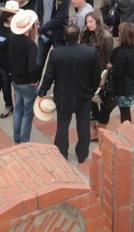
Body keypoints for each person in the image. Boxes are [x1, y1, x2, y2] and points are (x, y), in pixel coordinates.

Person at [38, 24, 100, 163]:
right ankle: (82, 154)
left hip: (63, 96)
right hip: (84, 96)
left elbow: (49, 76)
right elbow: (96, 76)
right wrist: (91, 90)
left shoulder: (56, 53)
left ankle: (62, 153)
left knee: (63, 125)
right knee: (83, 125)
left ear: (65, 38)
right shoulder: (90, 53)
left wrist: (43, 90)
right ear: (79, 37)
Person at [93, 22, 134, 138]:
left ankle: (97, 134)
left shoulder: (122, 53)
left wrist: (110, 67)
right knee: (125, 112)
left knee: (105, 110)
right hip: (131, 87)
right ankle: (127, 135)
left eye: (119, 32)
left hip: (118, 89)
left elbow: (116, 73)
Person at [8, 9, 39, 143]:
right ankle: (24, 141)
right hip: (27, 83)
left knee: (18, 110)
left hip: (16, 80)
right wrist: (35, 79)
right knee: (27, 113)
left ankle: (16, 138)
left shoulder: (12, 38)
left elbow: (0, 52)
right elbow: (32, 66)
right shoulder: (30, 45)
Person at [35, 0, 71, 73]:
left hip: (58, 35)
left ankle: (59, 87)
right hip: (44, 34)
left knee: (59, 65)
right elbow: (38, 4)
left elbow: (59, 19)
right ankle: (35, 85)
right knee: (38, 63)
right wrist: (36, 18)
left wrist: (41, 29)